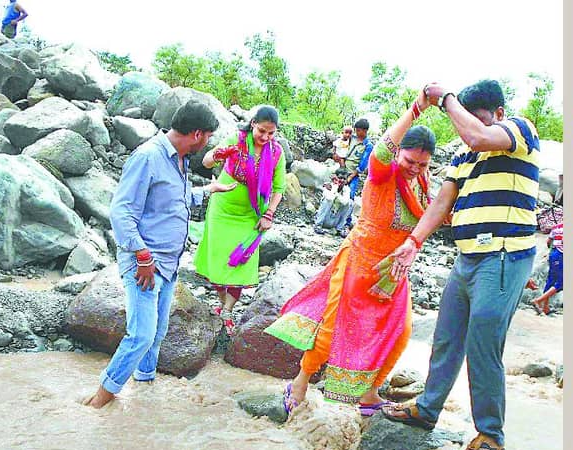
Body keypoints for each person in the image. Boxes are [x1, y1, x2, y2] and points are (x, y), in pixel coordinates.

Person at [382, 80, 540, 450]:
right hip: (467, 256)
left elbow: (478, 135)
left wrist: (447, 99)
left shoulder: (520, 129)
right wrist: (414, 241)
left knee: (483, 340)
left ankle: (491, 433)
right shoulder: (465, 153)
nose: (466, 127)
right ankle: (427, 408)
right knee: (447, 336)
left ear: (498, 114)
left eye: (477, 118)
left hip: (503, 254)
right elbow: (443, 200)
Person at [269, 87, 436, 417]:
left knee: (399, 332)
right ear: (398, 154)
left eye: (422, 163)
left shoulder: (421, 183)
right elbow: (383, 149)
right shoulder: (383, 173)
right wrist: (418, 107)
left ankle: (370, 393)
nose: (415, 168)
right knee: (333, 330)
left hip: (394, 271)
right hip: (359, 263)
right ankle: (300, 383)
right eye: (409, 160)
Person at [84, 101, 236, 409]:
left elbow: (172, 201)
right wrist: (142, 256)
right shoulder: (148, 157)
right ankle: (100, 400)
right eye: (208, 136)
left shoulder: (179, 159)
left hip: (167, 263)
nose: (208, 143)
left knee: (157, 333)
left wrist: (209, 191)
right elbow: (121, 212)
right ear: (197, 134)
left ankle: (145, 387)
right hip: (145, 263)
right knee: (141, 335)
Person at [194, 106, 287, 336]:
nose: (265, 137)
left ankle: (227, 310)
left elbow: (279, 188)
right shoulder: (236, 140)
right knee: (218, 258)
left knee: (241, 262)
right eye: (262, 131)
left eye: (271, 133)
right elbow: (206, 162)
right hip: (222, 210)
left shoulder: (276, 153)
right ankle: (221, 302)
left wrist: (269, 214)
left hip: (251, 215)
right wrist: (219, 155)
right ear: (253, 123)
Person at [531, 222, 563, 315]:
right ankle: (538, 300)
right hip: (562, 255)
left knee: (551, 280)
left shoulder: (557, 226)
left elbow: (548, 242)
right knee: (562, 282)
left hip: (553, 254)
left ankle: (545, 307)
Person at [313, 170, 354, 237]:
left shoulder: (346, 189)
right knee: (328, 201)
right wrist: (335, 187)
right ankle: (318, 225)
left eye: (344, 179)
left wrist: (336, 194)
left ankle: (340, 228)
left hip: (335, 219)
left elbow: (345, 202)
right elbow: (330, 198)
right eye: (340, 178)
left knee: (350, 203)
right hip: (325, 218)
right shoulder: (329, 186)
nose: (342, 180)